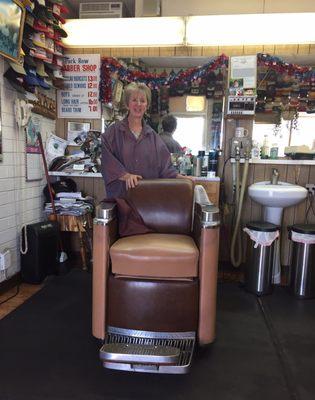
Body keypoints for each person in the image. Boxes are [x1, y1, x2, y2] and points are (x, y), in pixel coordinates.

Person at [101, 82, 185, 199]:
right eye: (134, 100)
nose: (138, 104)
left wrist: (183, 178)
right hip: (121, 201)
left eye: (142, 100)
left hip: (147, 201)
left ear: (147, 105)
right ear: (127, 104)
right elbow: (107, 161)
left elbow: (166, 168)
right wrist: (125, 176)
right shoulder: (113, 133)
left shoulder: (154, 137)